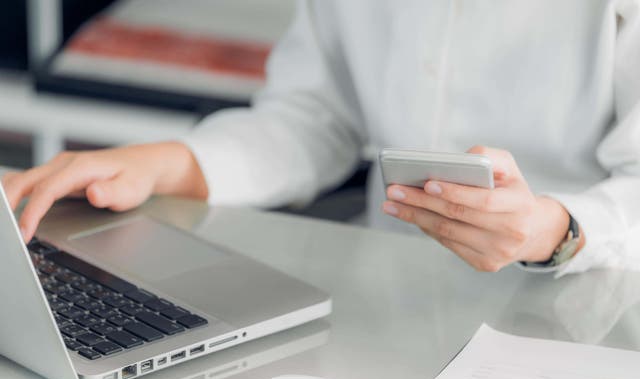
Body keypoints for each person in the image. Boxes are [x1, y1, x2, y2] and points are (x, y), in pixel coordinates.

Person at [3, 0, 640, 275]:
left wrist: (556, 233)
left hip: (591, 315)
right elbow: (316, 119)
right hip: (391, 295)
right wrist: (163, 164)